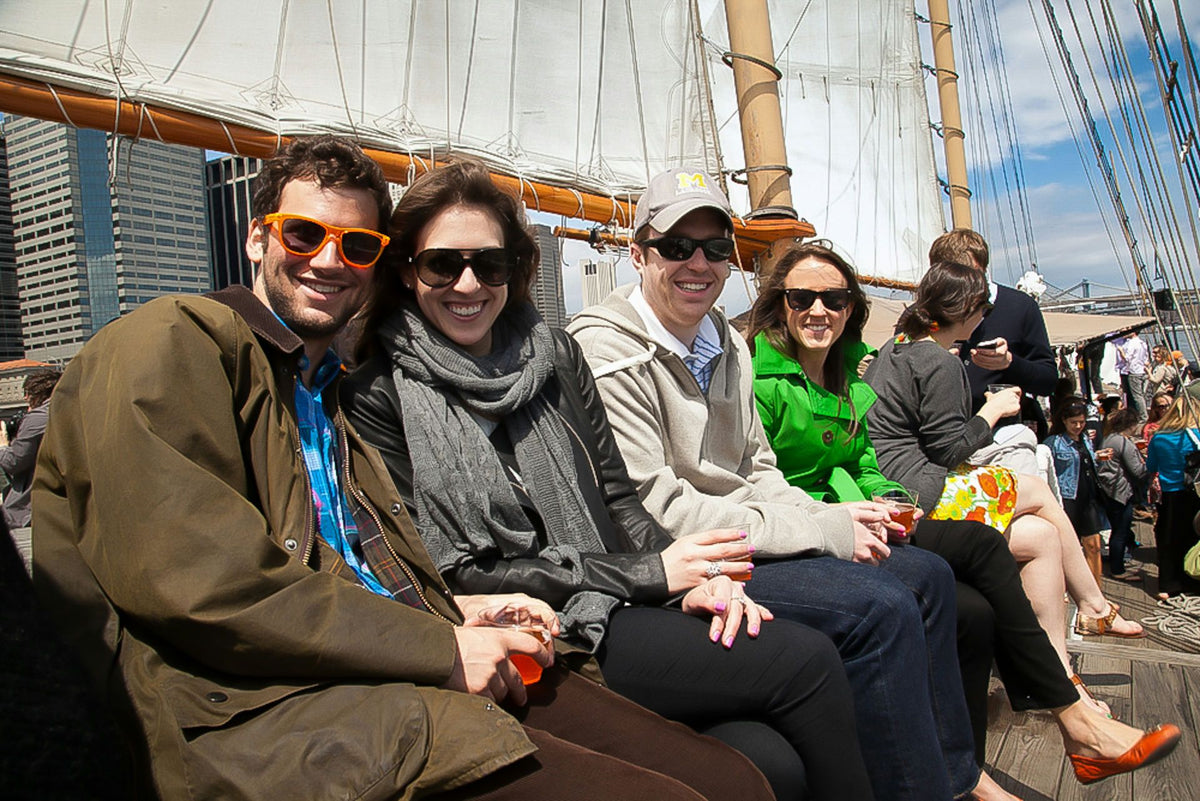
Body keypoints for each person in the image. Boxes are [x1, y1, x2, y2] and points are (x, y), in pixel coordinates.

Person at [30, 136, 776, 801]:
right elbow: (204, 586)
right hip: (249, 710)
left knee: (736, 777)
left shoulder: (324, 395)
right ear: (258, 238)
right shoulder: (170, 342)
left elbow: (355, 565)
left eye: (356, 244)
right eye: (302, 233)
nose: (328, 259)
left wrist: (458, 611)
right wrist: (439, 640)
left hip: (391, 663)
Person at [343, 158, 871, 801]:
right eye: (442, 265)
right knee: (806, 663)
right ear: (405, 272)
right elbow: (452, 571)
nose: (469, 283)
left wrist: (690, 580)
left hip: (613, 602)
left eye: (491, 264)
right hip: (543, 625)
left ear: (516, 269)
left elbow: (619, 497)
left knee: (769, 758)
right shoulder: (379, 395)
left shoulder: (553, 355)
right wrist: (650, 576)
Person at [569, 168, 1013, 801]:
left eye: (717, 248)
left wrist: (838, 517)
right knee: (880, 609)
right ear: (638, 253)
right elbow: (656, 507)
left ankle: (952, 781)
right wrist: (822, 527)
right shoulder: (606, 350)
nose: (699, 262)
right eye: (676, 246)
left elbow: (759, 468)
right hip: (688, 558)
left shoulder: (724, 340)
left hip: (744, 533)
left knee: (930, 578)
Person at [746, 239, 1180, 784]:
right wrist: (993, 411)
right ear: (779, 303)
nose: (819, 310)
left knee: (976, 609)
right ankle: (1071, 707)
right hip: (816, 526)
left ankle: (973, 771)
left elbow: (864, 458)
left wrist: (890, 498)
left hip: (869, 511)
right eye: (802, 296)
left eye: (833, 299)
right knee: (1007, 524)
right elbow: (760, 478)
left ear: (851, 308)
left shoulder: (853, 372)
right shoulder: (759, 380)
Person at [864, 262, 1150, 646]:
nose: (985, 318)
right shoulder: (939, 362)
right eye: (985, 310)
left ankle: (1067, 656)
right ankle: (1092, 609)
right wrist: (993, 410)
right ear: (968, 309)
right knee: (1038, 492)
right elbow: (948, 449)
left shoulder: (896, 347)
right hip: (917, 492)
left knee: (1041, 534)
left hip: (888, 483)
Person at [929, 229, 1057, 438]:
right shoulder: (921, 313)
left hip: (1000, 438)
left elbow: (1048, 381)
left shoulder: (1020, 307)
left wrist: (1009, 363)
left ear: (981, 269)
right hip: (937, 435)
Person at [1045, 399, 1111, 585]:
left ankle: (1097, 591)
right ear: (1064, 420)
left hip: (1087, 498)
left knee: (1094, 546)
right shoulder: (1054, 443)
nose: (1078, 426)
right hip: (1068, 500)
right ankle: (1065, 588)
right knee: (1067, 548)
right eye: (1074, 422)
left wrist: (1098, 456)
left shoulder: (1085, 440)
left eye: (1081, 422)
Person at [1145, 392, 1200, 600]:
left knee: (1168, 539)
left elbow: (1151, 467)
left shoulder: (1158, 437)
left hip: (1169, 494)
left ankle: (1167, 585)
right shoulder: (1196, 436)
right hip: (1194, 493)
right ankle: (1192, 580)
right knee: (1193, 537)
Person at [0, 368, 61, 530]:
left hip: (29, 510)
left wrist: (3, 446)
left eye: (27, 393)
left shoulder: (37, 418)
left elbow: (14, 462)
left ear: (36, 393)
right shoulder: (68, 411)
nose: (26, 398)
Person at [1096, 407, 1147, 582]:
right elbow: (1138, 471)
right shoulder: (1123, 443)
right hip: (1119, 492)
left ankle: (1124, 554)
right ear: (1131, 425)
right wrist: (1149, 461)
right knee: (1120, 531)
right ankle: (1118, 569)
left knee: (1119, 528)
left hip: (1107, 489)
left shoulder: (1109, 438)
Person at [1113, 331, 1150, 423]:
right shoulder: (1142, 343)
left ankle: (1143, 417)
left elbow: (1127, 358)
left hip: (1133, 371)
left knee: (1136, 396)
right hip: (1140, 370)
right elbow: (1146, 359)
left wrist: (1121, 351)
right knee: (1139, 394)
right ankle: (1136, 414)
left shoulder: (1132, 343)